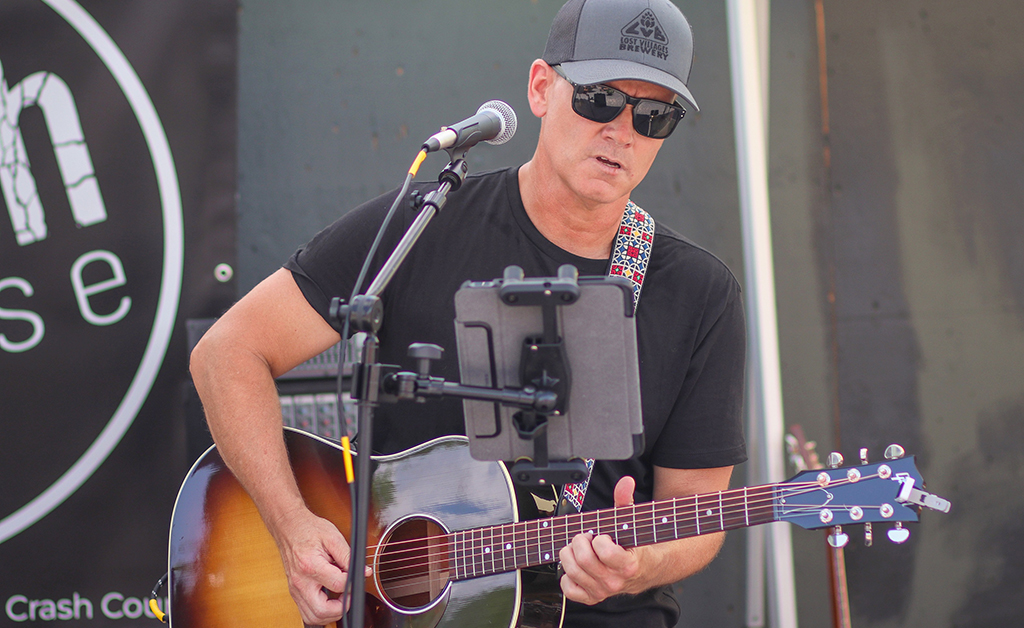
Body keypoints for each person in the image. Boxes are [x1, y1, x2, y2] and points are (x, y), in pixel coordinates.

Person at [190, 0, 747, 626]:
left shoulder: (699, 292)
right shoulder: (422, 224)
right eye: (598, 99)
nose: (622, 130)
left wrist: (639, 566)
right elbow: (226, 352)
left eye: (653, 115)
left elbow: (697, 510)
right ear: (541, 88)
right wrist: (292, 526)